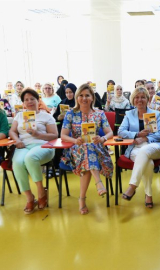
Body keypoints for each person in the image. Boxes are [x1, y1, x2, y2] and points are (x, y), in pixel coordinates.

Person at [60, 83, 114, 215]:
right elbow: (63, 135)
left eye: (87, 95)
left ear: (92, 98)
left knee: (89, 148)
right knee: (86, 148)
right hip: (75, 150)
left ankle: (82, 199)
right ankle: (99, 183)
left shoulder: (99, 113)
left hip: (96, 149)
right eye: (81, 95)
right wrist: (74, 140)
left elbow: (110, 133)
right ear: (77, 97)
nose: (84, 98)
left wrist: (102, 139)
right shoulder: (70, 114)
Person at [8, 88, 58, 214]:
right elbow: (12, 131)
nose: (29, 102)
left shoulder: (46, 116)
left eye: (32, 99)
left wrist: (38, 134)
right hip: (23, 146)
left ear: (38, 100)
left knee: (30, 158)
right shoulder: (19, 116)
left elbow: (54, 135)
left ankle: (41, 193)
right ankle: (30, 198)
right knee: (17, 163)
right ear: (23, 103)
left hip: (44, 146)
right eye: (26, 100)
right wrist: (16, 140)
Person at [119, 86, 160, 208]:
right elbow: (121, 131)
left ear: (147, 99)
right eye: (137, 97)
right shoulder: (129, 114)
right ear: (133, 99)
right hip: (135, 148)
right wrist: (137, 134)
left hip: (154, 146)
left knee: (145, 150)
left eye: (143, 97)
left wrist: (145, 138)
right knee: (148, 164)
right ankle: (148, 195)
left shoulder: (155, 114)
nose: (140, 100)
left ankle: (132, 186)